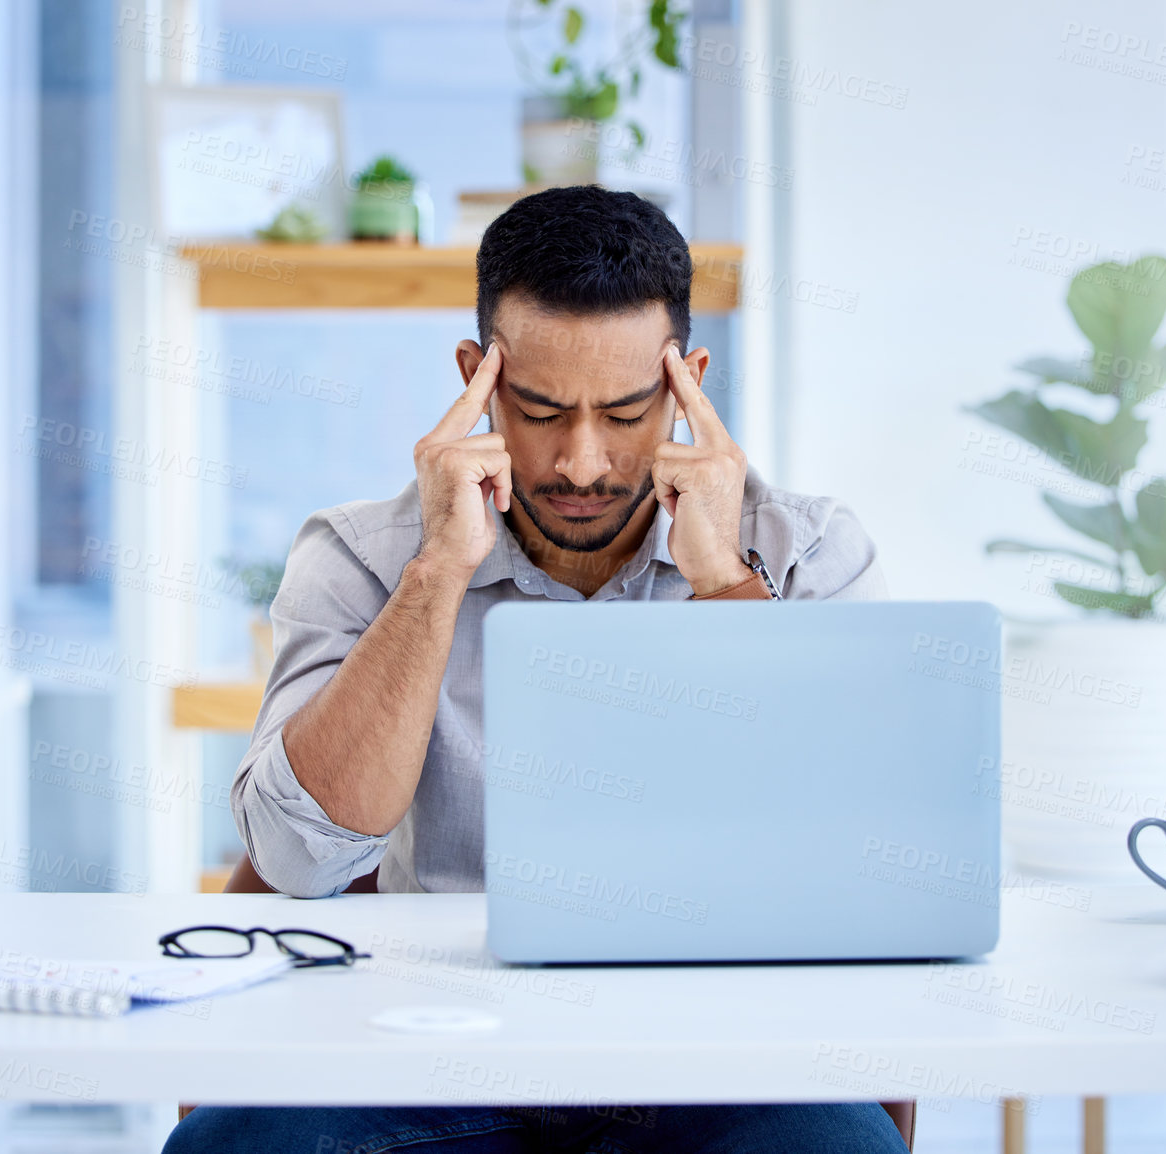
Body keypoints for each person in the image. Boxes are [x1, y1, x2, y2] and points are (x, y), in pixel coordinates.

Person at [165, 186, 902, 1153]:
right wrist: (435, 572)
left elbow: (849, 853)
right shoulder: (361, 555)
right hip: (426, 1051)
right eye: (541, 410)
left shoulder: (806, 550)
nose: (582, 463)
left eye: (627, 413)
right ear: (476, 379)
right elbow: (297, 861)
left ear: (689, 384)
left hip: (715, 1056)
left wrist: (721, 577)